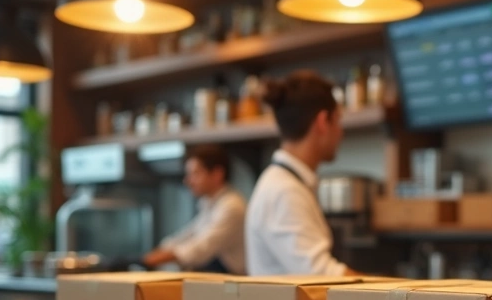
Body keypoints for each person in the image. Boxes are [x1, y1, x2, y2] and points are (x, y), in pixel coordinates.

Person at [245, 70, 356, 276]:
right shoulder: (284, 190)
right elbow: (324, 277)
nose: (341, 132)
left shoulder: (285, 182)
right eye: (338, 120)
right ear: (323, 122)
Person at [143, 144, 247, 274]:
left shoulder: (231, 206)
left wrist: (156, 258)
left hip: (233, 285)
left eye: (195, 174)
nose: (188, 181)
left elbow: (201, 248)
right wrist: (159, 251)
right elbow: (189, 235)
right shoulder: (210, 203)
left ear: (217, 174)